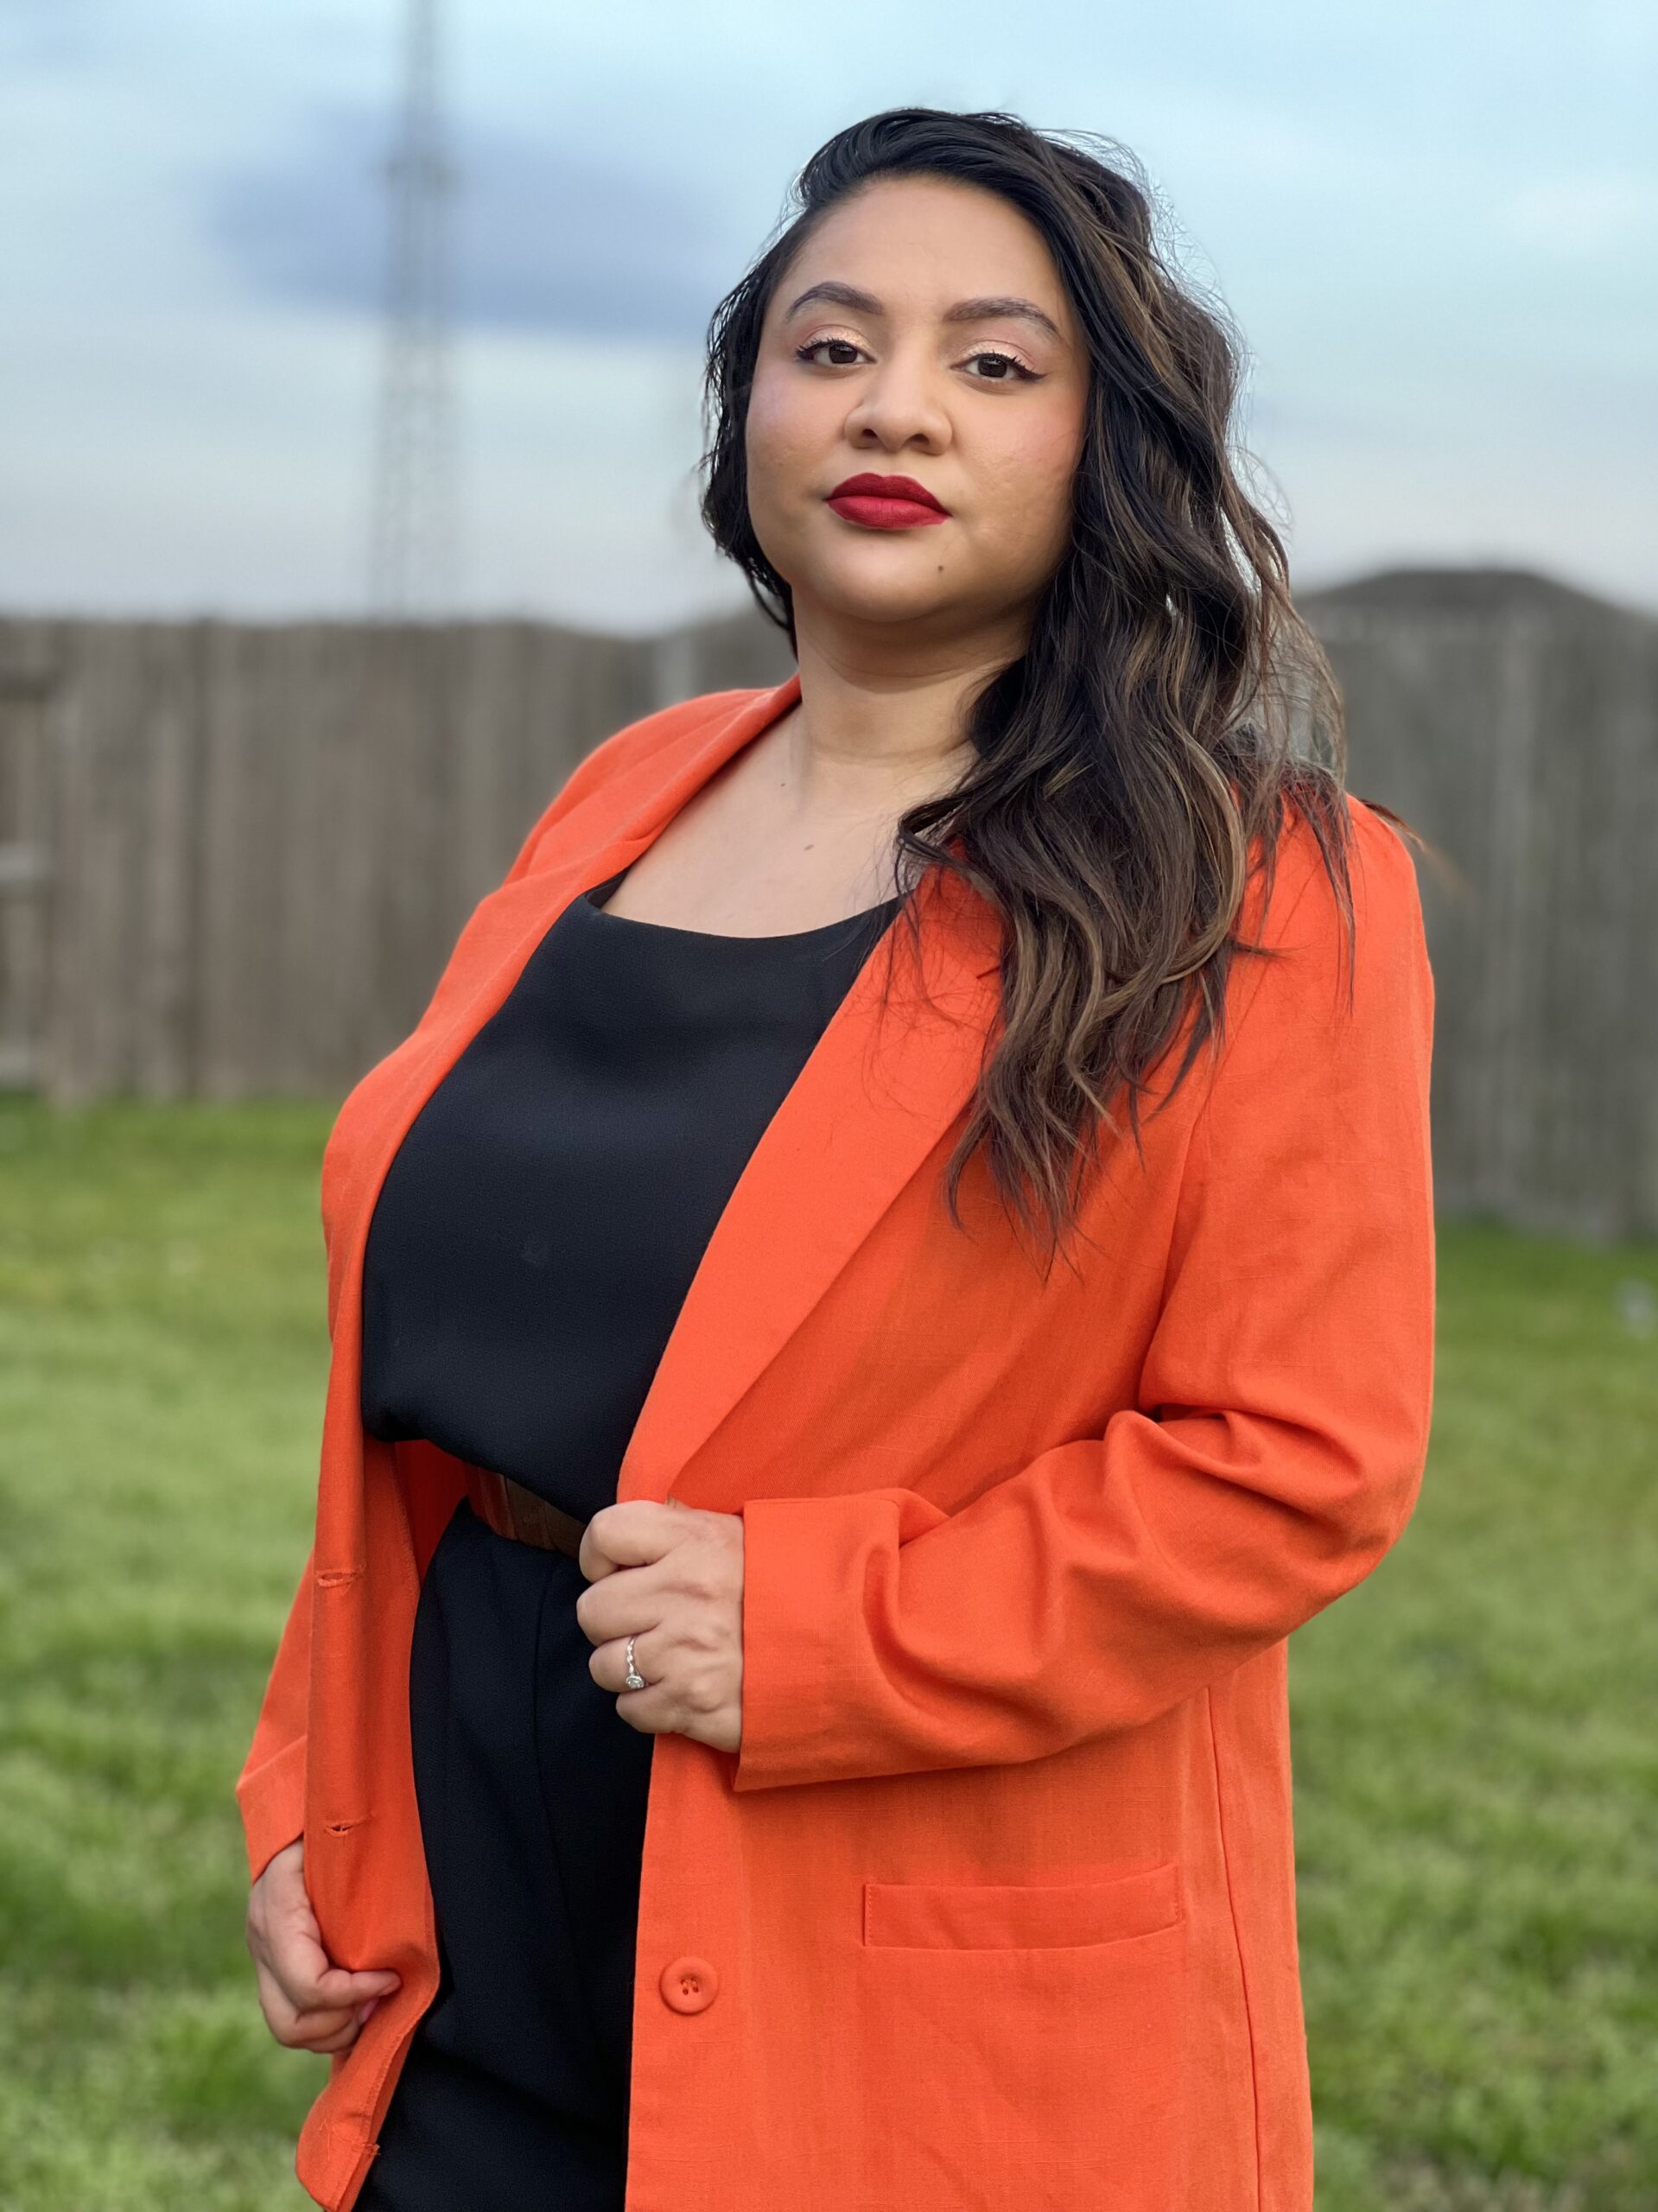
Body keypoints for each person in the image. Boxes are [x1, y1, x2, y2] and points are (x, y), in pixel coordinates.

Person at [239, 105, 1435, 2212]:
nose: (897, 405)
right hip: (479, 1886)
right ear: (748, 416)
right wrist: (310, 1775)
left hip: (911, 1949)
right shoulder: (627, 789)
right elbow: (425, 1381)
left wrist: (811, 1631)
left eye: (994, 361)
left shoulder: (1265, 886)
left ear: (1105, 445)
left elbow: (1294, 1458)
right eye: (829, 345)